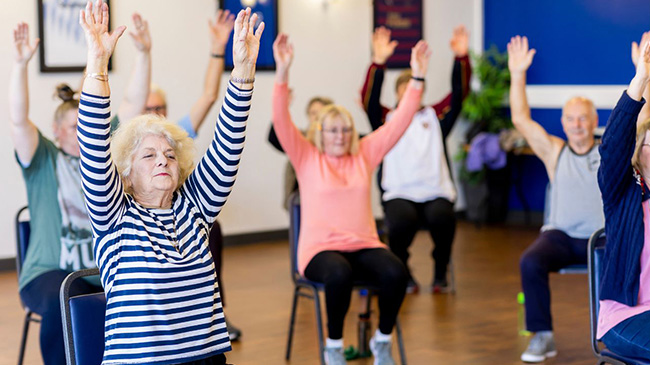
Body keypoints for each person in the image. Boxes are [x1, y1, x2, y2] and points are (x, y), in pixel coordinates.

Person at [76, 2, 263, 364]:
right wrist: (97, 68)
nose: (163, 158)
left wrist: (242, 71)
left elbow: (227, 144)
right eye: (148, 155)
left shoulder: (195, 207)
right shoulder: (114, 219)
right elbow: (94, 148)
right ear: (126, 174)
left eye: (170, 154)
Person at [272, 32, 428, 365]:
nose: (340, 136)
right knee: (338, 273)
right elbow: (281, 122)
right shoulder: (306, 157)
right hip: (319, 251)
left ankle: (382, 341)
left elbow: (399, 121)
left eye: (345, 129)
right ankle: (333, 347)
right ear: (319, 133)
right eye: (333, 130)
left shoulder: (365, 153)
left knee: (395, 272)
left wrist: (417, 78)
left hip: (363, 245)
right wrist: (282, 71)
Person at [8, 15, 151, 365]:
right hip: (49, 274)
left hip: (101, 271)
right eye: (72, 127)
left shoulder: (104, 157)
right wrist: (20, 64)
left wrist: (144, 53)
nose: (80, 132)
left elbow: (133, 105)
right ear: (57, 132)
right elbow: (17, 119)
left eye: (83, 125)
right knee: (65, 295)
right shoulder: (42, 158)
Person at [507, 35, 605, 362]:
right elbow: (521, 119)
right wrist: (518, 74)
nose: (577, 125)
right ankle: (542, 336)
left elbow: (642, 122)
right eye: (571, 119)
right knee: (530, 260)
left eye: (583, 118)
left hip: (602, 238)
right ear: (563, 122)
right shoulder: (555, 151)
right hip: (561, 236)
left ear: (594, 122)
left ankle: (623, 333)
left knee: (637, 255)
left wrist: (643, 74)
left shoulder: (611, 152)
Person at [360, 25, 471, 294]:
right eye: (405, 90)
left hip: (435, 191)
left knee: (444, 219)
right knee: (399, 224)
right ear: (399, 95)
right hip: (400, 192)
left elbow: (459, 94)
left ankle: (440, 272)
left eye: (416, 89)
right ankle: (403, 271)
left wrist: (461, 58)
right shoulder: (386, 119)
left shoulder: (436, 116)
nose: (411, 95)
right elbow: (369, 100)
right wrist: (378, 62)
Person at [596, 34, 650, 363]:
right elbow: (613, 145)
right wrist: (641, 79)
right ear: (639, 150)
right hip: (625, 317)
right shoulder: (624, 192)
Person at [268, 93, 334, 209]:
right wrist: (282, 108)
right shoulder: (299, 138)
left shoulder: (338, 141)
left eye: (321, 112)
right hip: (299, 200)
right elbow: (274, 138)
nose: (317, 117)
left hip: (329, 199)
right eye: (313, 113)